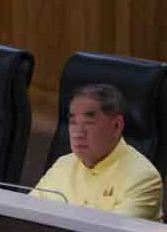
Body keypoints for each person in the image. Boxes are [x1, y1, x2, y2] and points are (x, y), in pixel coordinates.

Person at [32, 84, 163, 221]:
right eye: (73, 122)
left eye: (88, 123)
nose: (78, 133)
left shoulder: (143, 178)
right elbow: (25, 216)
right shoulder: (63, 164)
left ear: (117, 125)